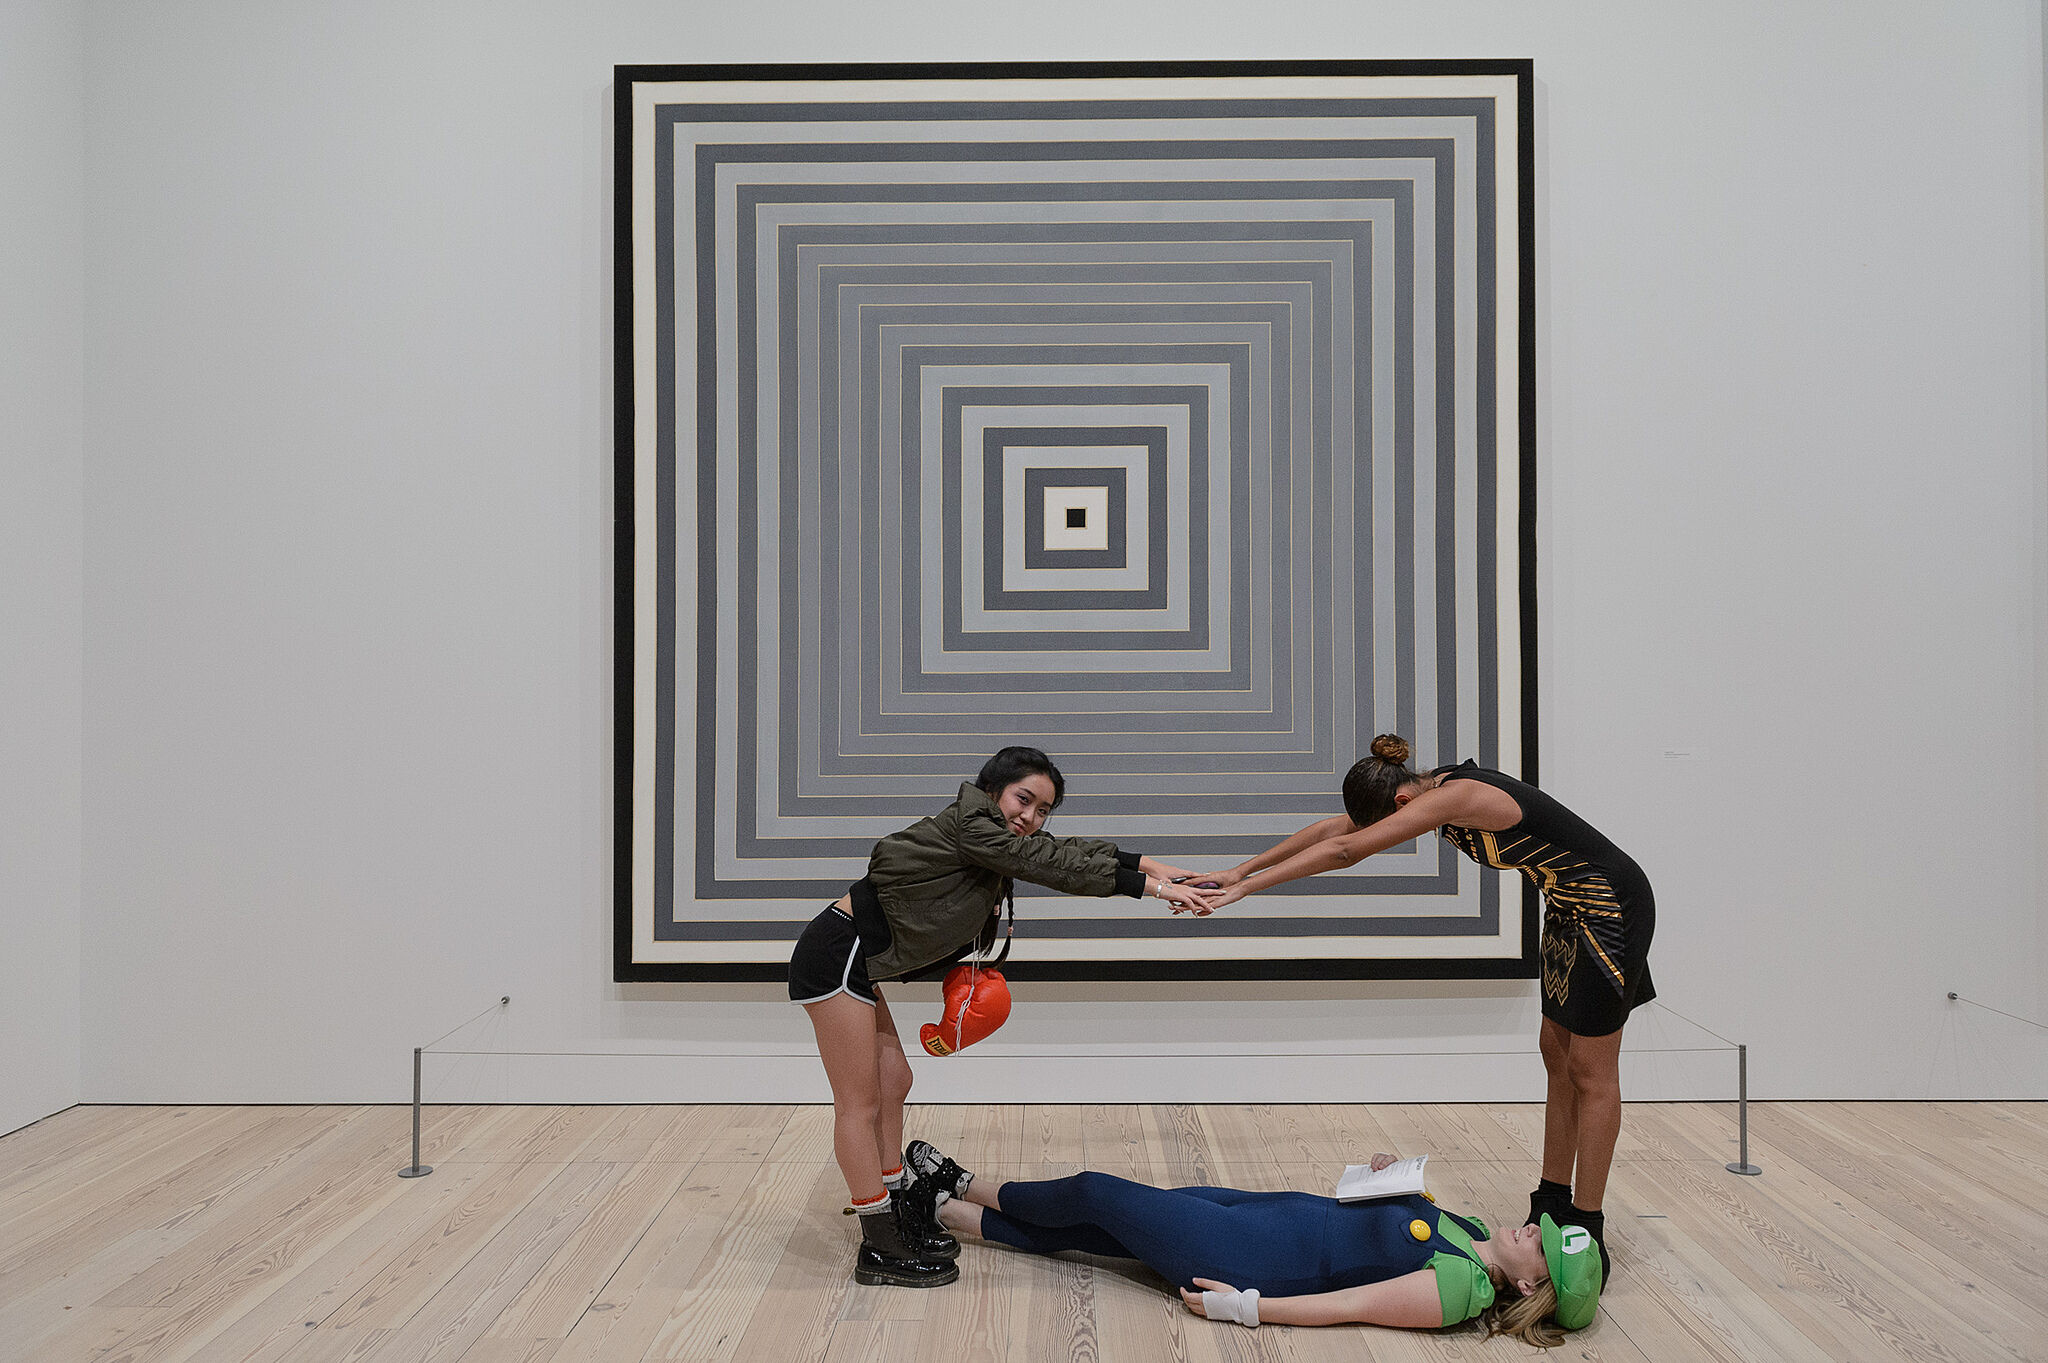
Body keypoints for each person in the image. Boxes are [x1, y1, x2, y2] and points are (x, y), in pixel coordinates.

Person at [1202, 735, 1654, 1275]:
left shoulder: (1458, 796)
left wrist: (1246, 892)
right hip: (1566, 910)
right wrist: (1237, 871)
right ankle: (1553, 1198)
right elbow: (1333, 831)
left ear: (1399, 804)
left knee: (1591, 1071)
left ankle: (1589, 1224)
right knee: (1556, 1055)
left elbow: (1347, 851)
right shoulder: (1422, 789)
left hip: (1610, 909)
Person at [790, 746, 1218, 1288]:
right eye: (1024, 799)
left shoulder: (995, 838)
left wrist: (1144, 863)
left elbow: (1055, 849)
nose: (1031, 817)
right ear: (993, 790)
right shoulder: (973, 827)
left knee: (895, 1081)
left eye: (1043, 809)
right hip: (835, 954)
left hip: (857, 961)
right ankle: (879, 1240)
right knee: (860, 1102)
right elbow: (1046, 862)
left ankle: (897, 1201)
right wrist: (1150, 888)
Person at [908, 1141, 1603, 1345]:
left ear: (1526, 1287)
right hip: (1264, 1211)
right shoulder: (1478, 1233)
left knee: (1095, 1192)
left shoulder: (1458, 1287)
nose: (1527, 1229)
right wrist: (1391, 1173)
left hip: (1251, 1255)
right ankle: (945, 1212)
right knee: (1102, 1231)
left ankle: (965, 1181)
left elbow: (1349, 1304)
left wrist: (1247, 1307)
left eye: (1538, 1247)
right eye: (1538, 1227)